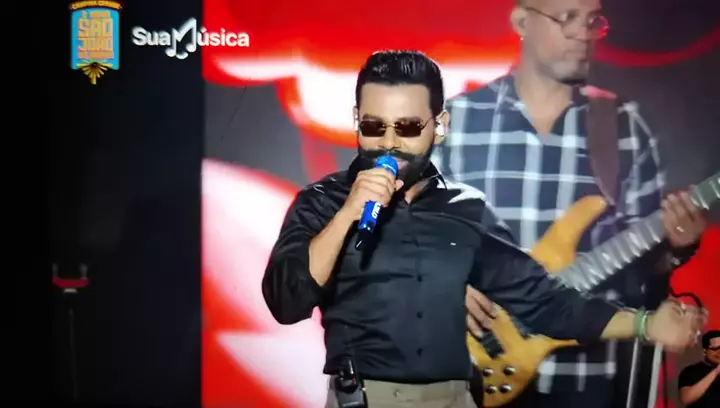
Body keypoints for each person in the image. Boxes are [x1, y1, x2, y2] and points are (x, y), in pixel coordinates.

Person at [261, 50, 705, 408]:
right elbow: (286, 301)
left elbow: (544, 300)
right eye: (374, 126)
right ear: (357, 119)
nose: (389, 143)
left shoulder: (465, 208)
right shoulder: (321, 203)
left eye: (408, 127)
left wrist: (645, 324)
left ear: (439, 126)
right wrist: (348, 214)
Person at [431, 0, 709, 407]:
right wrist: (443, 282)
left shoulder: (623, 127)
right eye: (568, 18)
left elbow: (644, 273)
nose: (584, 33)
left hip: (588, 380)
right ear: (522, 21)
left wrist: (677, 245)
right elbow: (407, 242)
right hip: (468, 373)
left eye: (593, 20)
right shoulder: (456, 122)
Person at [678, 330, 720, 407]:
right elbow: (686, 399)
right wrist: (716, 371)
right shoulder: (691, 371)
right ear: (705, 351)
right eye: (715, 349)